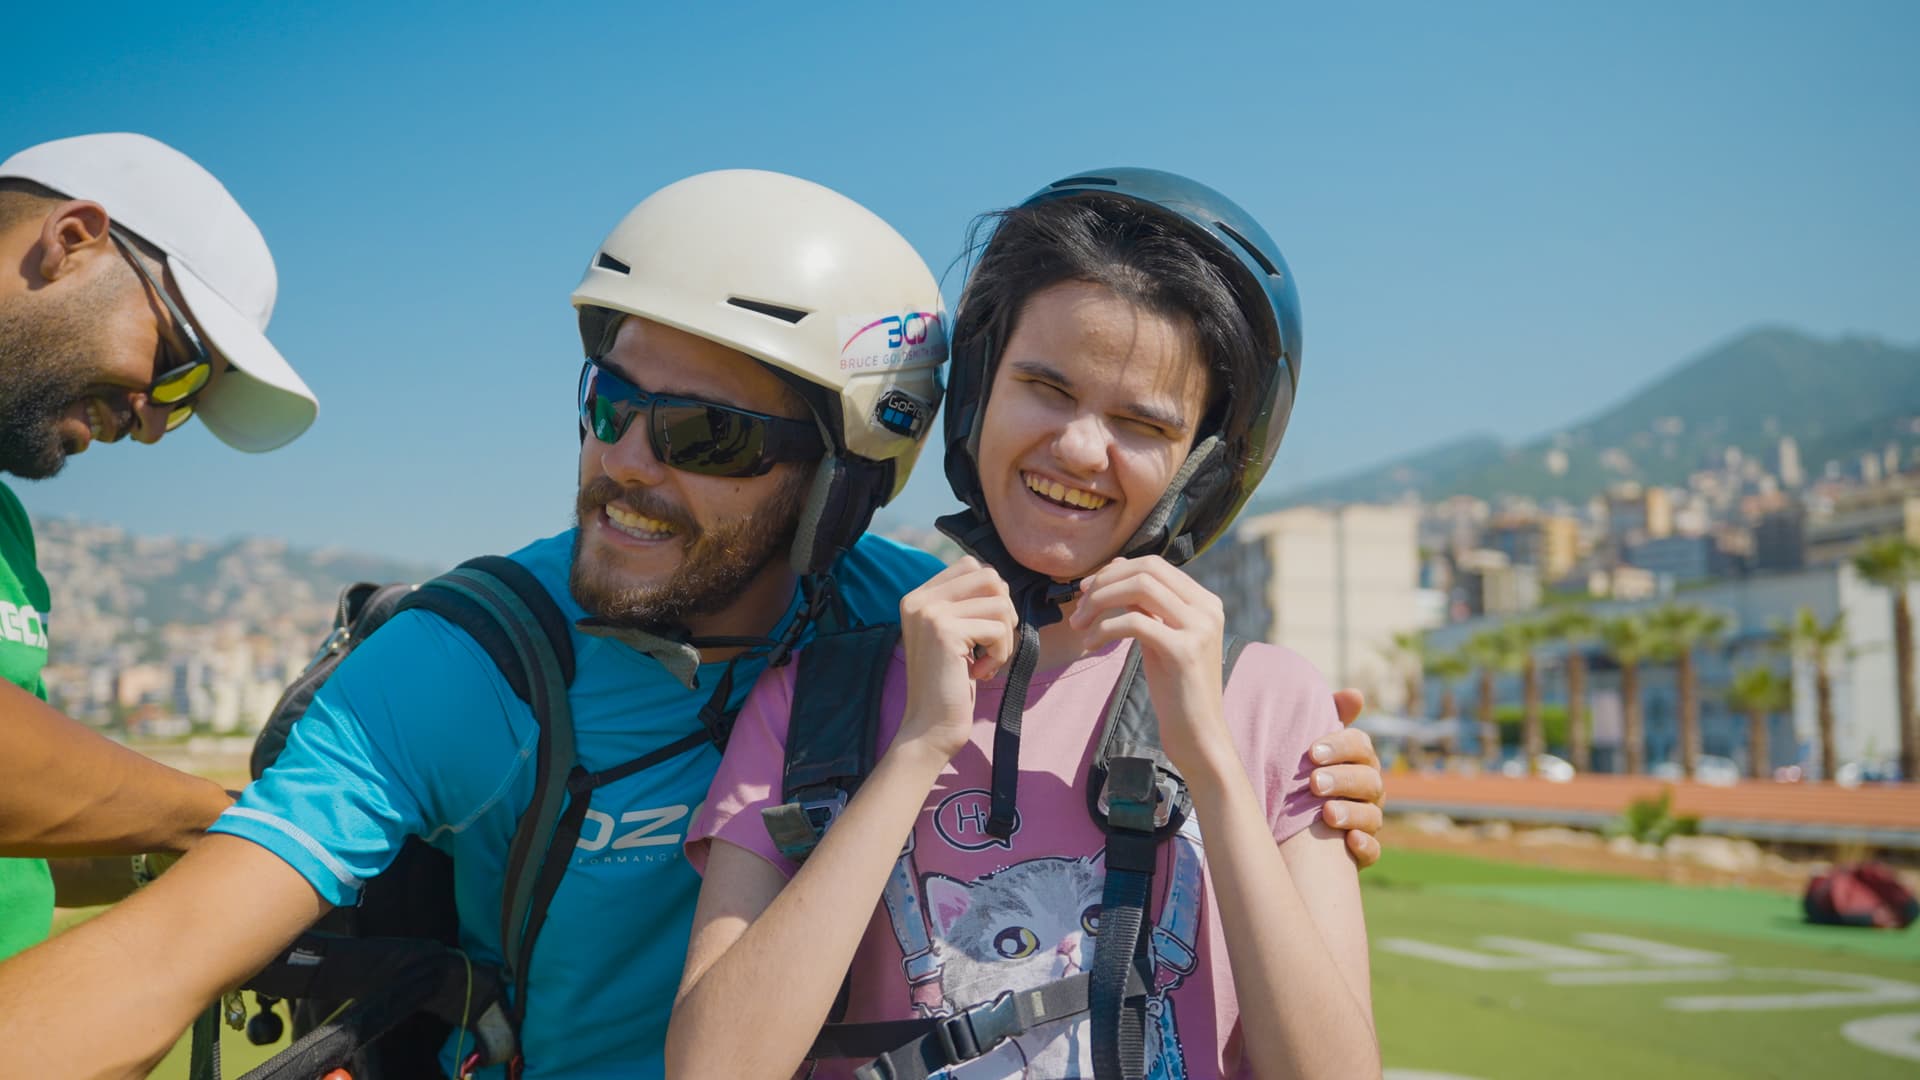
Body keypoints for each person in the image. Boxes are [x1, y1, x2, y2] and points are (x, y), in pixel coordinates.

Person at [0, 170, 1383, 1079]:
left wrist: (1298, 779)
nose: (626, 467)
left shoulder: (909, 638)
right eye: (611, 404)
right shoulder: (467, 666)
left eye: (710, 435)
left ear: (840, 484)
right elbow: (165, 957)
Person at [670, 169, 1376, 1079]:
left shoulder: (1271, 701)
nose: (1081, 448)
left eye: (1140, 422)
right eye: (1045, 386)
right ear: (976, 396)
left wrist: (1215, 765)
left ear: (1200, 468)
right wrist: (921, 743)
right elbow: (713, 1068)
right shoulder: (812, 699)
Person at [0, 133, 319, 959]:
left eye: (181, 404)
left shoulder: (9, 528)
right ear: (72, 240)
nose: (149, 425)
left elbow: (25, 834)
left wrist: (173, 851)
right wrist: (255, 830)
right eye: (175, 367)